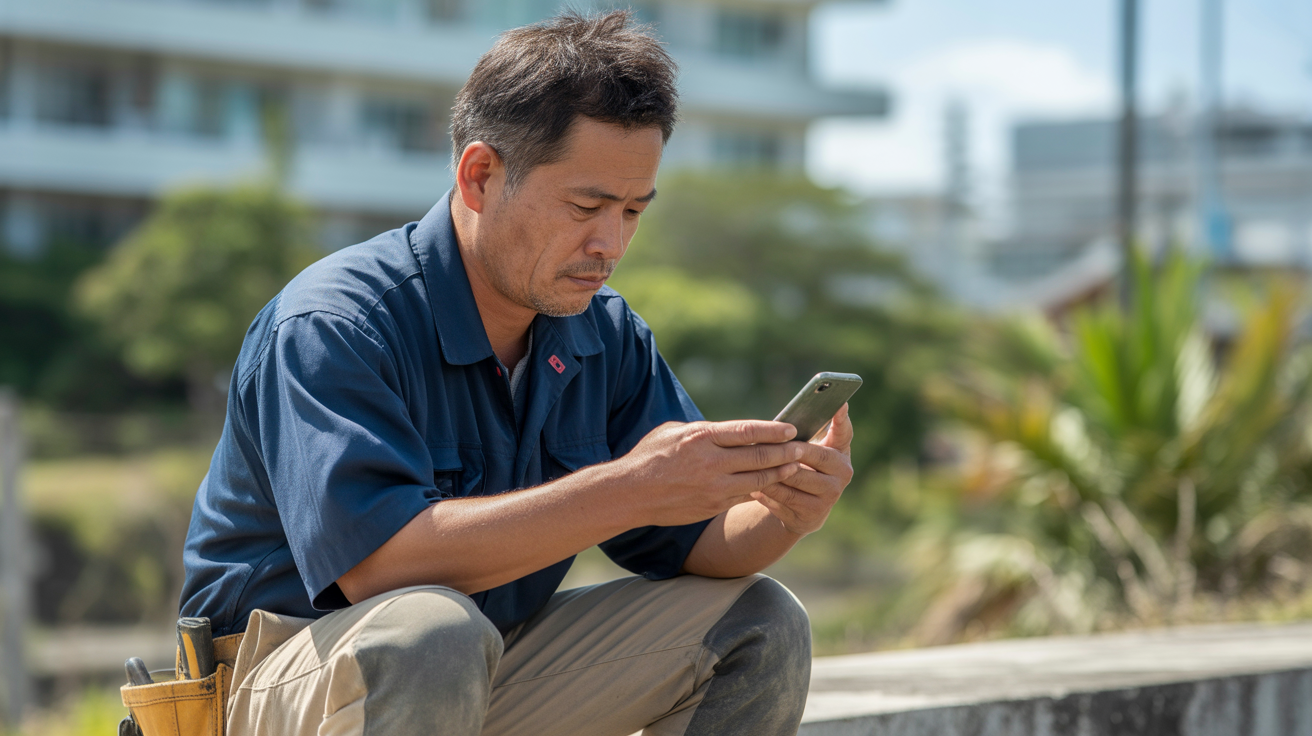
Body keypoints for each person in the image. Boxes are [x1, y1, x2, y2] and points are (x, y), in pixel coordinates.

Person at [178, 10, 854, 736]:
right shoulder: (333, 324)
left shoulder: (603, 333)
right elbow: (378, 569)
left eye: (632, 210)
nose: (611, 243)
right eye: (585, 206)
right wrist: (634, 486)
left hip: (481, 660)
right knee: (430, 635)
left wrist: (782, 510)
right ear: (479, 176)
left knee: (760, 623)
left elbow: (697, 543)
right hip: (281, 685)